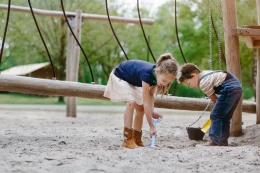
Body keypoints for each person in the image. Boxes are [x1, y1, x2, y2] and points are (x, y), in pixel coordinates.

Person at [104, 53, 178, 149]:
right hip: (120, 75)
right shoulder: (146, 74)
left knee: (141, 109)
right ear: (158, 71)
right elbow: (146, 102)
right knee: (131, 103)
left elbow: (151, 95)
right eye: (164, 81)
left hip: (132, 80)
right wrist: (152, 126)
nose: (164, 84)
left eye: (168, 82)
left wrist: (152, 112)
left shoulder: (157, 78)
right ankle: (128, 139)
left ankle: (137, 139)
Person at [177, 63, 242, 146]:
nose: (191, 87)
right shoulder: (205, 73)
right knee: (225, 117)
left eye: (189, 84)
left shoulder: (203, 83)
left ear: (194, 76)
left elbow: (215, 101)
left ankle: (215, 140)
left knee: (215, 115)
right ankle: (222, 141)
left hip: (229, 88)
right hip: (237, 87)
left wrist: (215, 112)